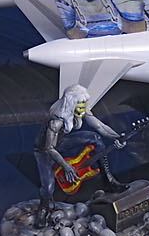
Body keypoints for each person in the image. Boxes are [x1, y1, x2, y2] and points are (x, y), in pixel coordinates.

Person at [35, 84, 128, 223]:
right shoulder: (56, 121)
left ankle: (108, 180)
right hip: (44, 150)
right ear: (72, 104)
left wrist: (117, 137)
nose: (83, 109)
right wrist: (66, 166)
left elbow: (99, 126)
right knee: (48, 188)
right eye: (80, 106)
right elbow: (50, 148)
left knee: (95, 138)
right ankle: (43, 207)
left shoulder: (80, 107)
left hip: (61, 142)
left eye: (84, 105)